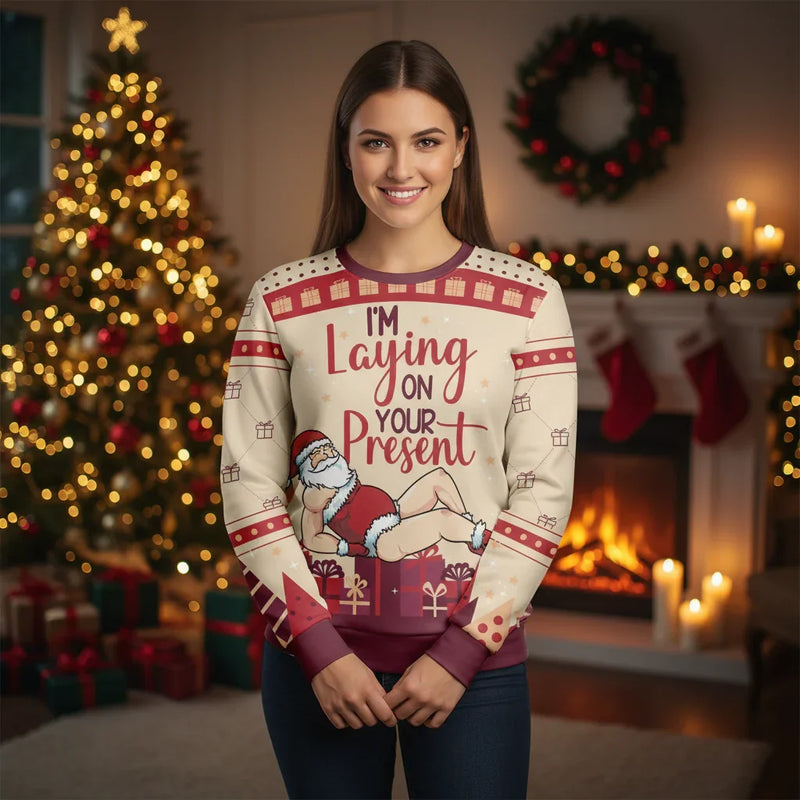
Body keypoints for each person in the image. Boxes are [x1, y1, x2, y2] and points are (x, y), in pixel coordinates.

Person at [220, 39, 577, 800]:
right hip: (319, 665)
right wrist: (318, 647)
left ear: (460, 151)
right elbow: (248, 490)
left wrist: (460, 654)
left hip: (473, 671)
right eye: (375, 141)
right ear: (346, 152)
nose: (400, 168)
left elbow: (542, 492)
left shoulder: (528, 300)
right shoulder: (280, 301)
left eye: (426, 141)